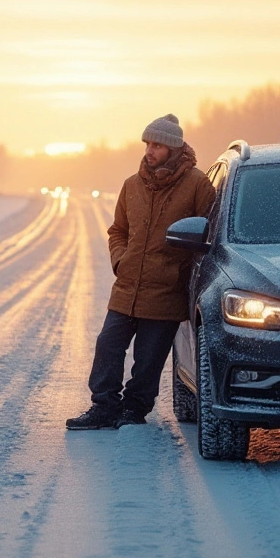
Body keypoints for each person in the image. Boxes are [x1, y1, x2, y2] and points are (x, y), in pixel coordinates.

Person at [66, 114, 216, 429]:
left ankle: (134, 410)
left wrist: (182, 275)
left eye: (157, 145)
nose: (150, 150)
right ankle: (103, 407)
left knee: (148, 361)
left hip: (165, 292)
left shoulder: (197, 185)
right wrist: (121, 260)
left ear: (174, 148)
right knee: (108, 344)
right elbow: (117, 231)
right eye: (148, 144)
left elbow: (208, 235)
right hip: (127, 287)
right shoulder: (131, 185)